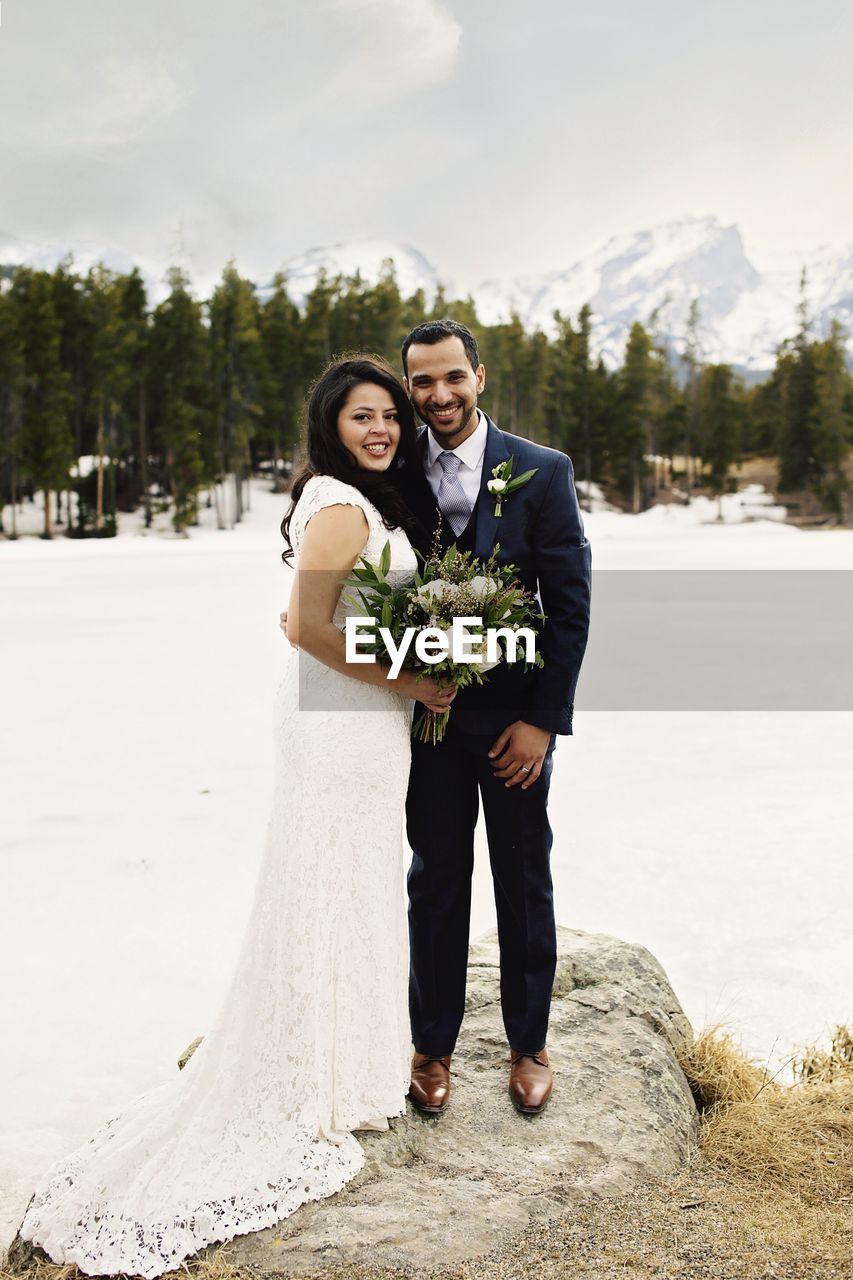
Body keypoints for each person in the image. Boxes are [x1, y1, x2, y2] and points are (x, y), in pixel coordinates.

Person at [16, 355, 454, 1279]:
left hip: (358, 720)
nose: (380, 428)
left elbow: (320, 624)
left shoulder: (359, 498)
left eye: (389, 416)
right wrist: (421, 680)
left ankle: (350, 1057)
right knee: (330, 876)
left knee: (351, 875)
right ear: (329, 427)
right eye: (360, 416)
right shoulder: (339, 503)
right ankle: (315, 1075)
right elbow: (316, 631)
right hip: (339, 722)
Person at [397, 319, 591, 1118]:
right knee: (435, 882)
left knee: (521, 877)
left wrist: (543, 723)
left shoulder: (542, 473)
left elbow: (569, 607)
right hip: (425, 725)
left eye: (451, 377)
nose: (437, 395)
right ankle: (431, 1046)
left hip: (514, 723)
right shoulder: (393, 468)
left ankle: (529, 1043)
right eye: (421, 383)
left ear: (479, 376)